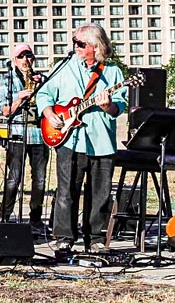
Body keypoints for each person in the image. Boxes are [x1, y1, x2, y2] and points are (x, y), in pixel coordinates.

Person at [35, 23, 127, 253]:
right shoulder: (64, 67)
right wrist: (49, 114)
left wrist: (107, 106)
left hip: (101, 141)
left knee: (100, 193)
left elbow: (120, 107)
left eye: (80, 44)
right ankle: (64, 237)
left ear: (95, 47)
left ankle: (95, 238)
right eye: (74, 42)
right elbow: (43, 95)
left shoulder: (113, 72)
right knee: (66, 190)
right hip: (69, 139)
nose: (75, 47)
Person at [0, 43, 50, 234]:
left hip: (39, 134)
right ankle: (4, 216)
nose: (26, 60)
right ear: (14, 60)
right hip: (18, 134)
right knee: (13, 178)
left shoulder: (41, 79)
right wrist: (19, 98)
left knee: (40, 180)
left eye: (29, 56)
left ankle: (35, 220)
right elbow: (4, 111)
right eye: (21, 57)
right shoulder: (7, 80)